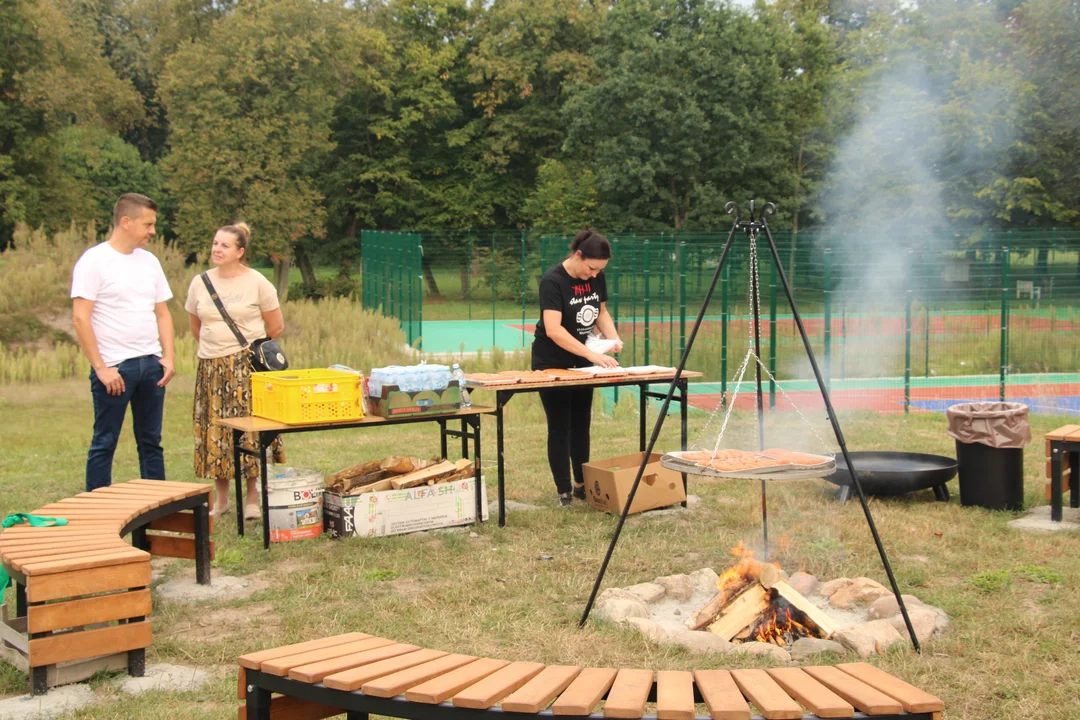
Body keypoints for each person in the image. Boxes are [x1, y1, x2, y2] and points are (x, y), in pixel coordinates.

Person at [71, 193, 176, 491]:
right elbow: (81, 318)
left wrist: (168, 357)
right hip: (115, 369)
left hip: (151, 365)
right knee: (105, 442)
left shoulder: (150, 262)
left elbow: (163, 313)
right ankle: (97, 512)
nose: (153, 231)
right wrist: (102, 368)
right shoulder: (94, 261)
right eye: (148, 224)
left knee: (151, 442)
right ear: (126, 222)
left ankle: (157, 508)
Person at [185, 223, 285, 519]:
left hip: (245, 367)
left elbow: (276, 326)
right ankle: (222, 499)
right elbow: (195, 325)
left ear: (240, 252)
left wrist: (247, 352)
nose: (217, 249)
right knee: (216, 430)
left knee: (249, 430)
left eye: (225, 245)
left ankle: (252, 498)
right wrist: (216, 351)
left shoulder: (257, 282)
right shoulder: (199, 282)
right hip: (211, 368)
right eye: (215, 243)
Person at [531, 229, 623, 506]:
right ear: (579, 255)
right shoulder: (553, 281)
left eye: (600, 271)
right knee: (560, 425)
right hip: (552, 361)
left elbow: (601, 311)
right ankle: (564, 491)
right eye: (592, 268)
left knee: (581, 424)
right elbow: (554, 330)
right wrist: (594, 356)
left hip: (583, 360)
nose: (594, 275)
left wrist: (612, 339)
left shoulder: (597, 276)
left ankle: (583, 484)